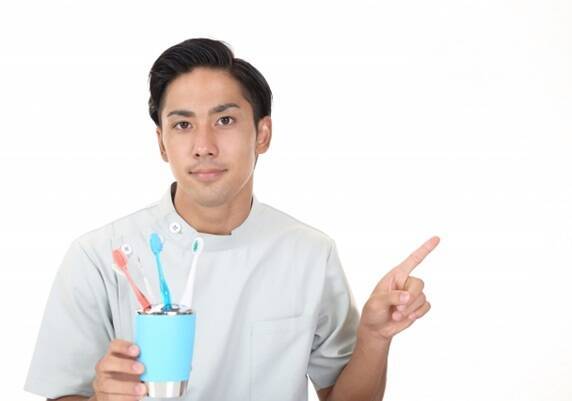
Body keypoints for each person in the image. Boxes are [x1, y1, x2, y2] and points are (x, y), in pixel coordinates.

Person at [24, 38, 440, 401]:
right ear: (162, 143)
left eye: (225, 120)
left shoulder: (310, 253)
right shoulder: (101, 257)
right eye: (182, 124)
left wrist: (374, 337)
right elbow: (63, 394)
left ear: (263, 134)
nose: (204, 146)